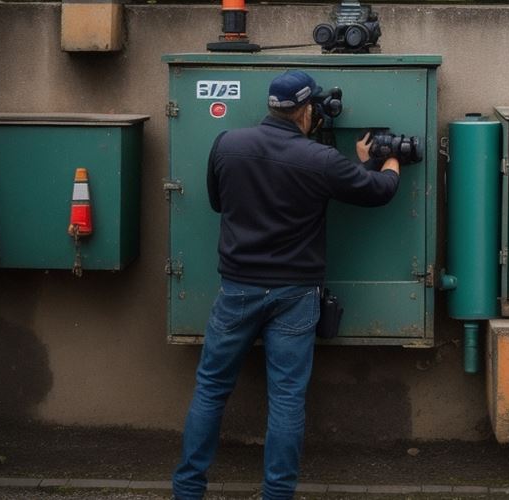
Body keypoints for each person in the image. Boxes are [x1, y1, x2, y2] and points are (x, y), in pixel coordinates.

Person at [172, 70, 401, 500]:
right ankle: (276, 495)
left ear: (273, 105)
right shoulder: (320, 160)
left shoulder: (227, 144)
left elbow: (218, 202)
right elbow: (377, 191)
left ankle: (187, 491)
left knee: (211, 389)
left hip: (238, 288)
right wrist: (387, 162)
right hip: (294, 295)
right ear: (308, 110)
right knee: (287, 398)